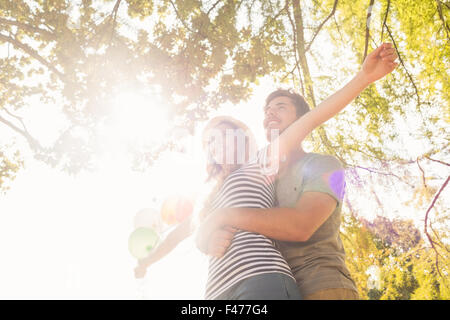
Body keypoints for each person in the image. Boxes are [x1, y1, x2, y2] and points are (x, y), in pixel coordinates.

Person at [196, 43, 398, 300]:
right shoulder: (262, 176)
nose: (270, 111)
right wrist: (207, 236)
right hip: (273, 282)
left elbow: (300, 227)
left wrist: (364, 78)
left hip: (322, 285)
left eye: (280, 106)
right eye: (267, 109)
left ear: (298, 119)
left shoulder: (330, 168)